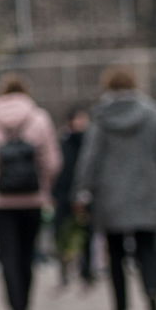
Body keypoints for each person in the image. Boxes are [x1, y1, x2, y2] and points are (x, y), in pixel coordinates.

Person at [71, 67, 156, 310]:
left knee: (116, 254)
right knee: (147, 251)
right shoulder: (154, 114)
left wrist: (81, 191)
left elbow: (91, 159)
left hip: (110, 197)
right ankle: (153, 301)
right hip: (149, 193)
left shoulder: (100, 118)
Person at [0, 73, 60, 310]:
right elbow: (52, 162)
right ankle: (25, 308)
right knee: (27, 254)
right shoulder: (39, 118)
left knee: (7, 254)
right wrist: (42, 182)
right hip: (33, 198)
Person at [52, 107, 95, 291]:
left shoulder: (91, 140)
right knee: (62, 234)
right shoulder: (63, 141)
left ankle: (87, 272)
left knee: (87, 236)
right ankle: (64, 272)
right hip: (64, 194)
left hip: (86, 195)